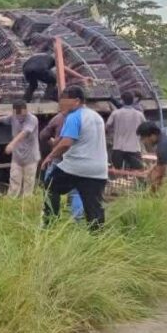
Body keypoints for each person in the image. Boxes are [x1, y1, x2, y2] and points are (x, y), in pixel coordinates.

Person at [41, 86, 108, 230]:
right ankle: (98, 237)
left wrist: (50, 156)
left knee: (50, 186)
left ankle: (50, 222)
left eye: (64, 100)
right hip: (98, 169)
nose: (61, 103)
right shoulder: (96, 117)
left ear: (77, 101)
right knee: (93, 205)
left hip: (76, 166)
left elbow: (66, 143)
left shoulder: (74, 116)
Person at [0, 101, 40, 197]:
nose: (19, 116)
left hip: (30, 158)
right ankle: (12, 203)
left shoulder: (32, 119)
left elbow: (24, 133)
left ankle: (26, 205)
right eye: (18, 114)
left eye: (21, 113)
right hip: (17, 158)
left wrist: (12, 144)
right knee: (14, 182)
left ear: (26, 110)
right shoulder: (13, 117)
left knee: (28, 184)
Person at [40, 105, 83, 220]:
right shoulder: (83, 119)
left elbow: (43, 135)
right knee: (76, 190)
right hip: (76, 160)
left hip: (59, 159)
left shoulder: (58, 118)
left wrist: (53, 144)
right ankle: (77, 219)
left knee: (50, 188)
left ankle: (51, 216)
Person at [106, 91, 146, 170]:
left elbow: (107, 126)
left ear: (122, 101)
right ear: (132, 100)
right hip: (134, 148)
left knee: (117, 173)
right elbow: (146, 127)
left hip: (118, 148)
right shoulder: (139, 114)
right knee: (137, 172)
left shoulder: (115, 113)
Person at [136, 122, 167, 191]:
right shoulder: (164, 130)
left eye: (143, 138)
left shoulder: (162, 148)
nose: (143, 142)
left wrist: (151, 193)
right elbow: (161, 162)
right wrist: (152, 169)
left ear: (152, 136)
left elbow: (159, 175)